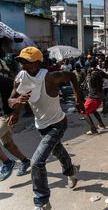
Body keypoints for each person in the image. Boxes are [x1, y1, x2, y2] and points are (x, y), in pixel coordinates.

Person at [8, 47, 83, 210]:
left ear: (38, 63)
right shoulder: (20, 78)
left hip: (58, 124)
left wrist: (78, 99)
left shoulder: (50, 77)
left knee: (36, 162)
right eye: (20, 61)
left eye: (26, 62)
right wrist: (16, 108)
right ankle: (72, 171)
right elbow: (11, 99)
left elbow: (71, 76)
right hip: (41, 125)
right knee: (58, 150)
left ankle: (42, 202)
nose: (23, 65)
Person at [0, 61, 31, 181]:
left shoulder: (5, 82)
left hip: (6, 117)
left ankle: (7, 163)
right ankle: (25, 161)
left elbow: (21, 97)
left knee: (7, 144)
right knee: (8, 144)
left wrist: (16, 112)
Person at [82, 60, 108, 134]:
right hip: (100, 96)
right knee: (93, 110)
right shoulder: (99, 71)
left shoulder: (92, 73)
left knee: (83, 112)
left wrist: (89, 73)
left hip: (93, 96)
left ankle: (93, 129)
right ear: (96, 65)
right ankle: (101, 124)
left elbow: (93, 84)